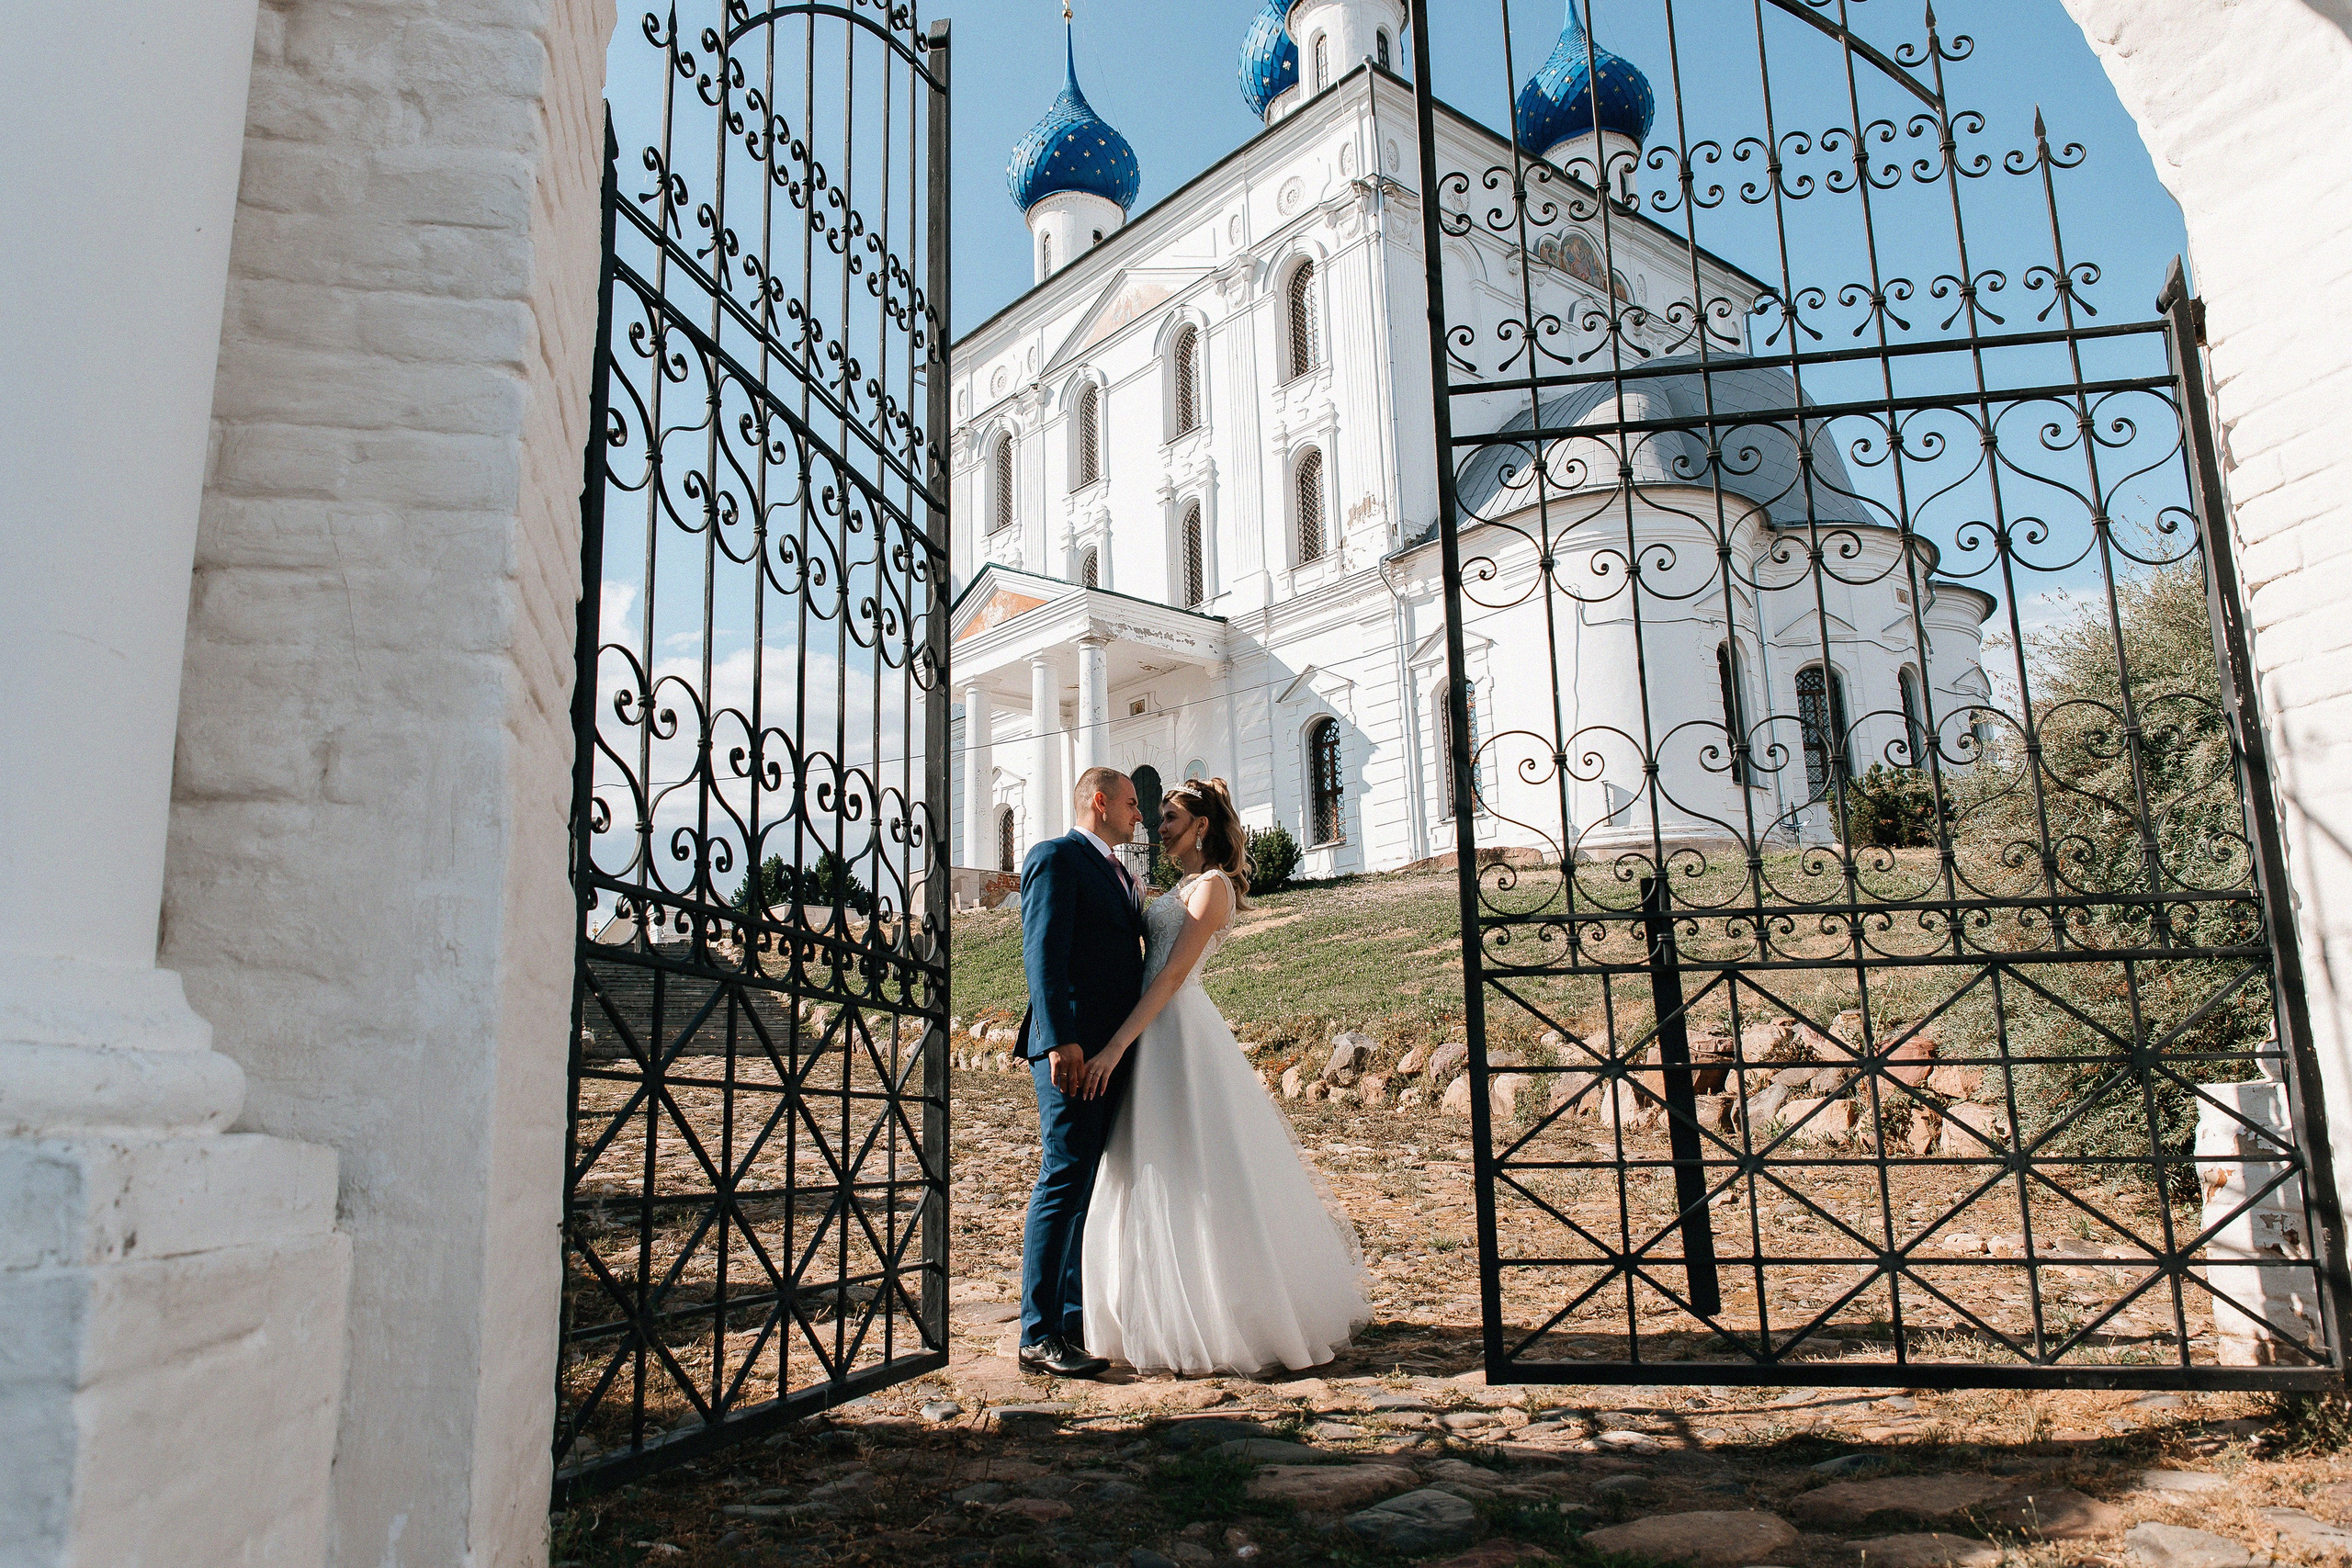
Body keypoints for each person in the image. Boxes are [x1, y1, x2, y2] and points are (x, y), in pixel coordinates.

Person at [1075, 777, 1370, 1375]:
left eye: (1172, 817)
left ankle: (1217, 1315)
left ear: (1202, 825)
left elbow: (1171, 977)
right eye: (1158, 816)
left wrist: (1116, 1044)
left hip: (1175, 1034)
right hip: (1149, 1030)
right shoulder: (1180, 886)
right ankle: (1126, 1306)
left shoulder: (1213, 889)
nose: (1161, 826)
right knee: (1143, 1166)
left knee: (1197, 1166)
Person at [1012, 766, 1146, 1379]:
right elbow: (1042, 953)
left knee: (1084, 1181)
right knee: (1064, 1175)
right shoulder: (1056, 857)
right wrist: (1060, 1038)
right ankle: (1037, 1332)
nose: (1138, 813)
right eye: (1130, 802)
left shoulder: (1118, 872)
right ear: (1100, 801)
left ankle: (1067, 1319)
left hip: (1105, 1052)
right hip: (1069, 1050)